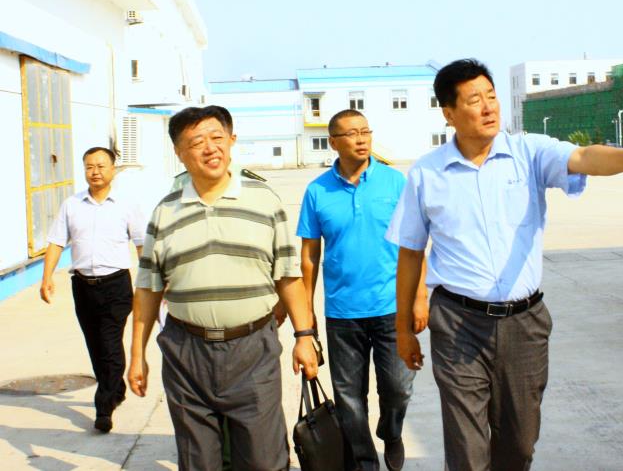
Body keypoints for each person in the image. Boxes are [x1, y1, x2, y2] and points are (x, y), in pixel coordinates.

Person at [386, 58, 623, 470]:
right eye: (474, 100)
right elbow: (410, 253)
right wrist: (403, 328)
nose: (489, 107)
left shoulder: (529, 152)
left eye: (492, 96)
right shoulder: (427, 174)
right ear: (449, 113)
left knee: (520, 445)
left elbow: (584, 157)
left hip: (524, 324)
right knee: (467, 450)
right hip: (458, 324)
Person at [127, 105, 318, 471]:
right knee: (198, 461)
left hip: (253, 349)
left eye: (217, 137)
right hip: (186, 353)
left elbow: (288, 276)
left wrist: (304, 336)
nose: (210, 148)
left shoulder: (265, 201)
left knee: (264, 460)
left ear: (232, 141)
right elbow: (148, 289)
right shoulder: (165, 212)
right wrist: (137, 354)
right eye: (196, 142)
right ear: (179, 153)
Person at [296, 109, 428, 471]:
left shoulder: (394, 182)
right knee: (349, 398)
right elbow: (309, 256)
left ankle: (392, 431)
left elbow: (415, 241)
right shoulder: (317, 191)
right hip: (342, 312)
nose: (361, 139)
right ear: (333, 142)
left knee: (398, 388)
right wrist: (306, 312)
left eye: (365, 131)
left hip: (391, 307)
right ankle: (365, 463)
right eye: (352, 133)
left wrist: (420, 297)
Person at [39, 146, 145, 433]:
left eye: (100, 166)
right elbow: (56, 241)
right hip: (83, 285)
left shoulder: (126, 205)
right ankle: (115, 388)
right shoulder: (71, 205)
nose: (95, 172)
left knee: (110, 344)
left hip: (116, 285)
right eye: (89, 167)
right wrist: (47, 277)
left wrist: (149, 282)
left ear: (113, 170)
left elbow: (141, 245)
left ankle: (103, 407)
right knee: (95, 344)